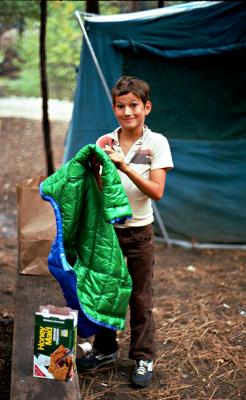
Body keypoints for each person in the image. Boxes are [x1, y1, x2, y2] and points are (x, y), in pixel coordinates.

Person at [76, 76, 174, 387]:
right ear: (114, 108)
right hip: (109, 232)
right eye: (120, 106)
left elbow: (156, 192)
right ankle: (106, 349)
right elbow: (102, 191)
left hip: (139, 234)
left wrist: (125, 167)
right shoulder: (106, 141)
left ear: (147, 107)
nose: (127, 111)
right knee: (108, 293)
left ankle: (143, 358)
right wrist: (94, 173)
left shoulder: (156, 143)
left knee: (140, 297)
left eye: (133, 105)